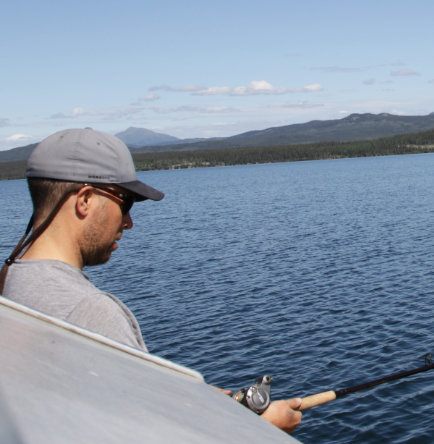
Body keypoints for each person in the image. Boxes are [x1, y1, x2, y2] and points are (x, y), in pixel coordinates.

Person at [0, 128, 303, 434]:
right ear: (86, 200)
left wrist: (191, 398)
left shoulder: (11, 284)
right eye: (126, 202)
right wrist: (255, 429)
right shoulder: (90, 314)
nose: (129, 222)